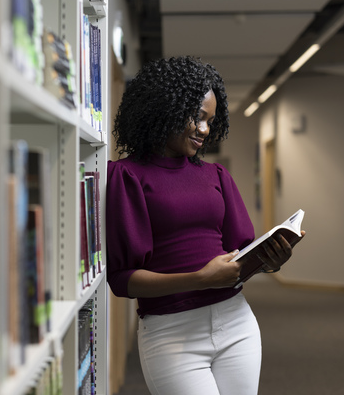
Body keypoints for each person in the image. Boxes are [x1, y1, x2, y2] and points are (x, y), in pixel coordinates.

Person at [105, 56, 304, 395]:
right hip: (172, 333)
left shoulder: (216, 175)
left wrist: (269, 261)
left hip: (236, 323)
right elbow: (123, 280)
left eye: (211, 120)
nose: (205, 130)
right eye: (197, 117)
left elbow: (239, 256)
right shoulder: (126, 176)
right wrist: (199, 279)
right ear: (165, 107)